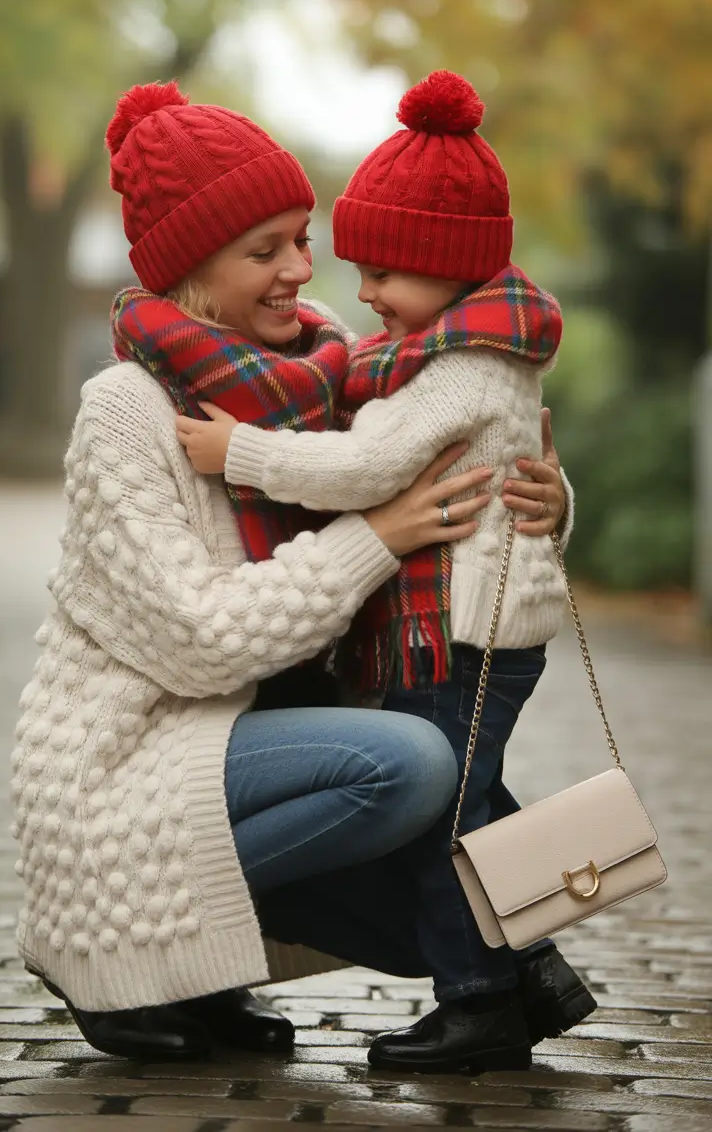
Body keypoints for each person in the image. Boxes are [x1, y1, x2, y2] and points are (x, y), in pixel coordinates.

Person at [12, 79, 570, 1068]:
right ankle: (117, 951)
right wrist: (378, 537)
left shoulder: (325, 374)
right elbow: (199, 641)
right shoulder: (127, 413)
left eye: (301, 240)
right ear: (190, 265)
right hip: (137, 758)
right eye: (263, 249)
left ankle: (218, 967)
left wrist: (547, 499)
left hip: (248, 742)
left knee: (438, 922)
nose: (300, 271)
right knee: (413, 765)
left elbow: (443, 453)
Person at [171, 71, 597, 1074]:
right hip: (465, 624)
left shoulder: (461, 368)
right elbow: (506, 457)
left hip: (466, 633)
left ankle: (480, 1001)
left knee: (448, 815)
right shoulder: (447, 352)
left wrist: (239, 451)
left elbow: (366, 463)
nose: (360, 295)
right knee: (475, 801)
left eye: (382, 275)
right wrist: (556, 495)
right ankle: (533, 969)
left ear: (445, 269)